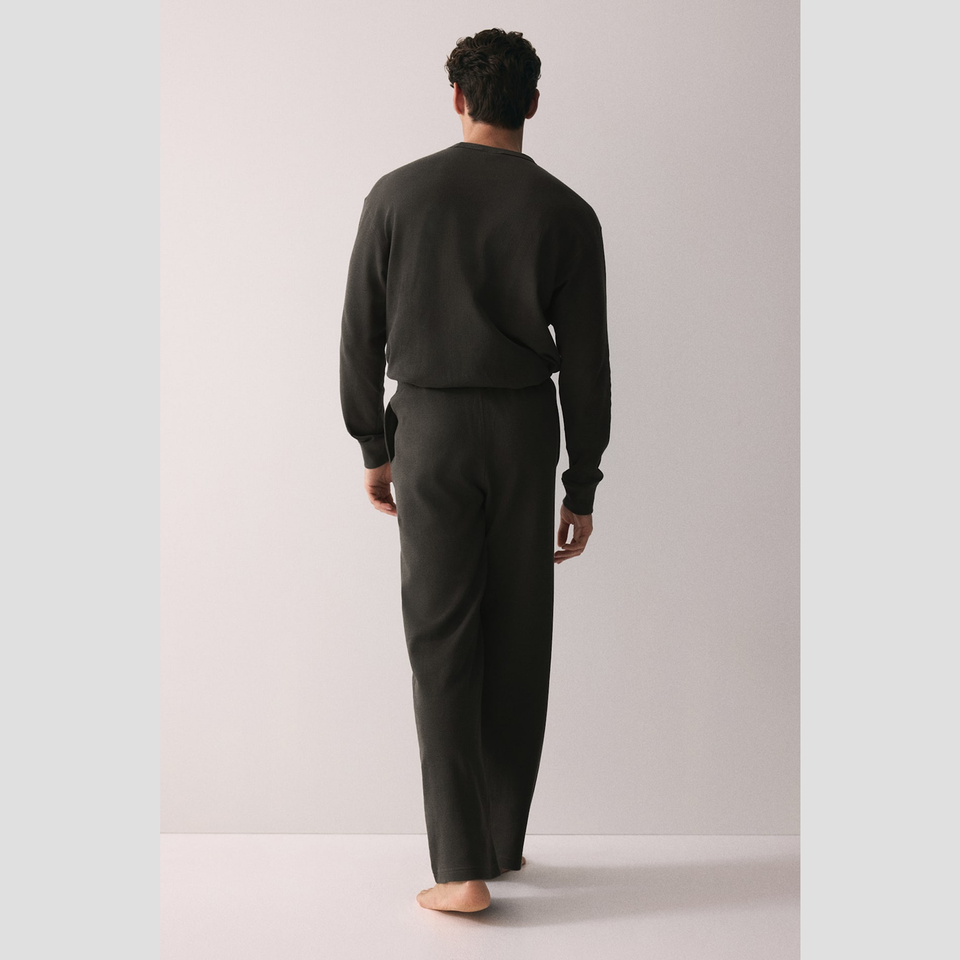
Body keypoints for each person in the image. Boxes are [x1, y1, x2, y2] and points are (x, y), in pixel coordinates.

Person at [339, 27, 611, 913]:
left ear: (457, 98)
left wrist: (373, 448)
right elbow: (589, 366)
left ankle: (459, 869)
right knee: (521, 634)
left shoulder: (396, 195)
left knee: (442, 638)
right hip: (526, 432)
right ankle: (499, 844)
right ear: (532, 102)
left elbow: (360, 331)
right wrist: (581, 484)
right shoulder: (568, 213)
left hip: (430, 430)